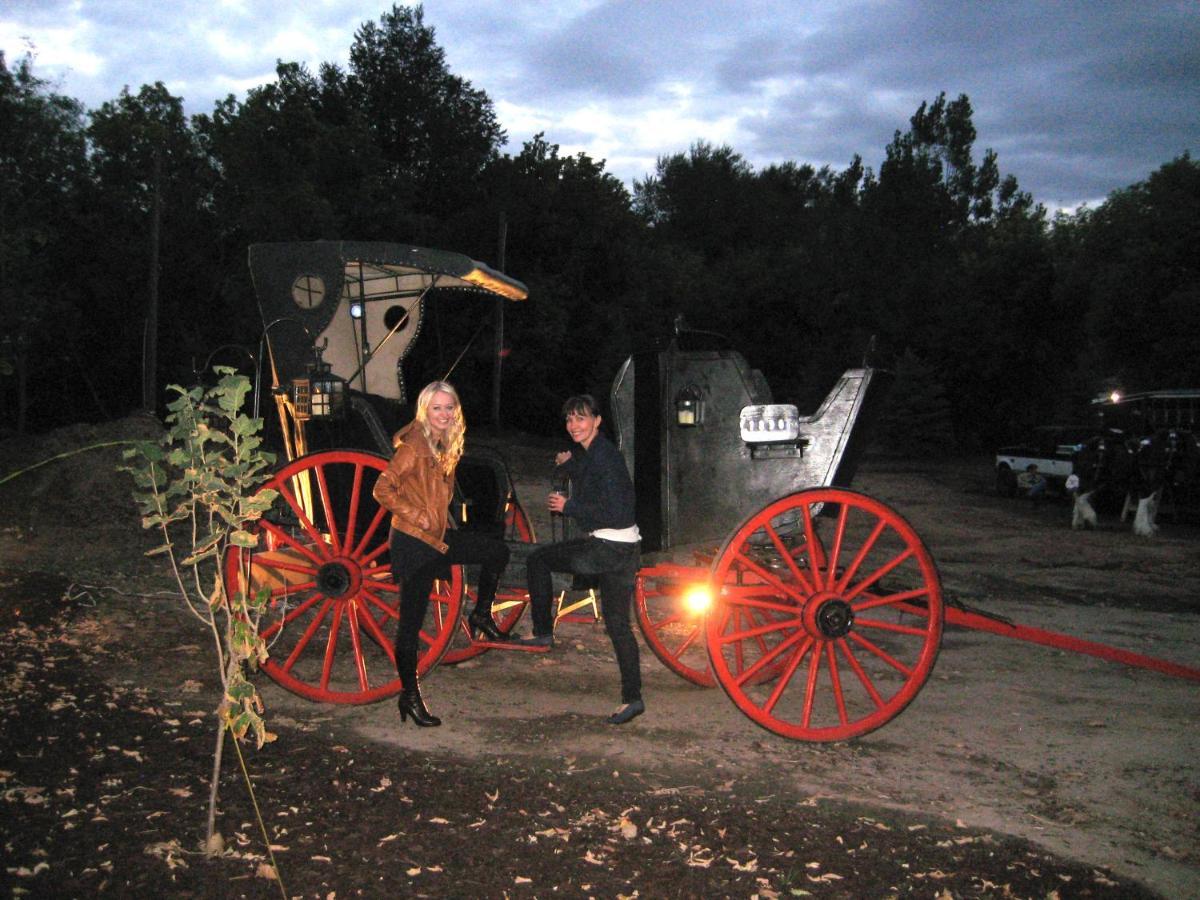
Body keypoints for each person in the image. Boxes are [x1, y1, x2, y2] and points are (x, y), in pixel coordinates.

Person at [372, 381, 511, 727]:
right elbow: (382, 487)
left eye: (449, 407)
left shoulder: (442, 444)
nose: (445, 414)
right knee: (410, 627)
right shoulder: (415, 447)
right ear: (425, 411)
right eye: (437, 408)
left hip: (436, 539)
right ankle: (410, 696)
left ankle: (480, 615)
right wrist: (415, 514)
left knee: (497, 552)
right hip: (413, 544)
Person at [517, 394, 644, 725]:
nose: (574, 425)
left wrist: (568, 506)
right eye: (570, 419)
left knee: (539, 560)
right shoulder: (594, 452)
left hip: (606, 548)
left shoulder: (606, 459)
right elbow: (584, 467)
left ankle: (543, 631)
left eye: (581, 418)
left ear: (597, 421)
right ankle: (633, 700)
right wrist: (567, 462)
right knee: (618, 625)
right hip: (627, 548)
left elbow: (618, 512)